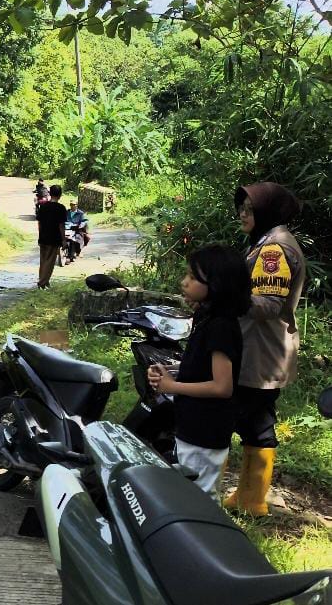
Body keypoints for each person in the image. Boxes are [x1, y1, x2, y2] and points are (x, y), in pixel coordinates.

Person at [224, 182, 306, 516]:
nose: (243, 215)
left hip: (260, 352)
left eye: (250, 209)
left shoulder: (273, 249)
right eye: (241, 208)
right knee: (253, 422)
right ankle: (247, 496)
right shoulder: (265, 242)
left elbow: (268, 305)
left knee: (253, 423)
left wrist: (221, 297)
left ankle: (253, 499)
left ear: (267, 212)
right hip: (259, 351)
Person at [148, 245, 252, 498]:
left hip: (206, 428)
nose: (184, 282)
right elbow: (202, 365)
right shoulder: (206, 317)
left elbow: (222, 386)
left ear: (217, 284)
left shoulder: (221, 327)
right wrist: (170, 370)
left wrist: (173, 387)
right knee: (189, 491)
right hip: (193, 423)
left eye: (193, 277)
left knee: (201, 498)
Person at [36, 185, 67, 288]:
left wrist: (40, 235)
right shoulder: (61, 208)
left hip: (43, 237)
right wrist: (63, 240)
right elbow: (61, 225)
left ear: (49, 193)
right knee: (50, 261)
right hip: (54, 238)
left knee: (43, 260)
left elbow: (39, 223)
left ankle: (44, 280)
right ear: (60, 195)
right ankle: (42, 283)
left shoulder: (43, 207)